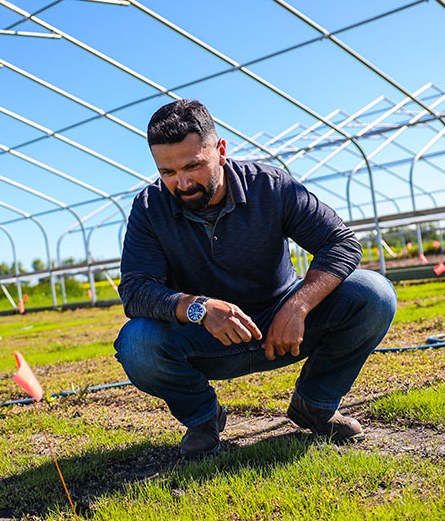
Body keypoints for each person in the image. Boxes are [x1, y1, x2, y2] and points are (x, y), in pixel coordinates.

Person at [114, 99, 397, 458]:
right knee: (136, 343)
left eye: (193, 166)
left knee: (374, 293)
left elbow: (340, 243)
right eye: (167, 173)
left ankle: (315, 404)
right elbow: (136, 290)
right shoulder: (150, 208)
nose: (182, 183)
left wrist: (297, 306)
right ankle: (203, 419)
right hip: (206, 338)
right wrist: (199, 308)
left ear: (220, 150)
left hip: (283, 326)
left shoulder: (270, 185)